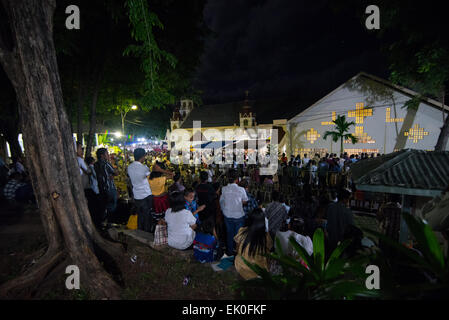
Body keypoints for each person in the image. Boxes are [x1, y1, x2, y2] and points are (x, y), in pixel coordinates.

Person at [234, 208, 273, 280]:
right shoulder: (266, 236)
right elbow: (269, 251)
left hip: (242, 267)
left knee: (238, 256)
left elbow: (237, 249)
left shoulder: (242, 231)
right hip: (260, 269)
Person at [220, 169, 248, 256]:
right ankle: (238, 254)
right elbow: (245, 201)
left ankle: (229, 252)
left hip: (227, 215)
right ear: (237, 179)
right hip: (239, 215)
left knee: (229, 234)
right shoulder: (241, 189)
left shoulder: (224, 189)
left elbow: (222, 201)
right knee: (238, 235)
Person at [128, 148, 153, 233]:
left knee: (140, 216)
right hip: (146, 195)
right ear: (143, 157)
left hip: (137, 196)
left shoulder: (129, 167)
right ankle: (146, 234)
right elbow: (150, 179)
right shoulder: (144, 168)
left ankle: (139, 232)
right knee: (147, 217)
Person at [94, 148, 118, 227]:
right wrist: (116, 163)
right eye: (107, 153)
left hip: (100, 188)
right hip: (109, 188)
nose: (108, 155)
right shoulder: (106, 164)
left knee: (104, 206)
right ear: (102, 155)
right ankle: (109, 224)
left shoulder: (96, 164)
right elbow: (115, 172)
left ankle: (102, 222)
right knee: (111, 206)